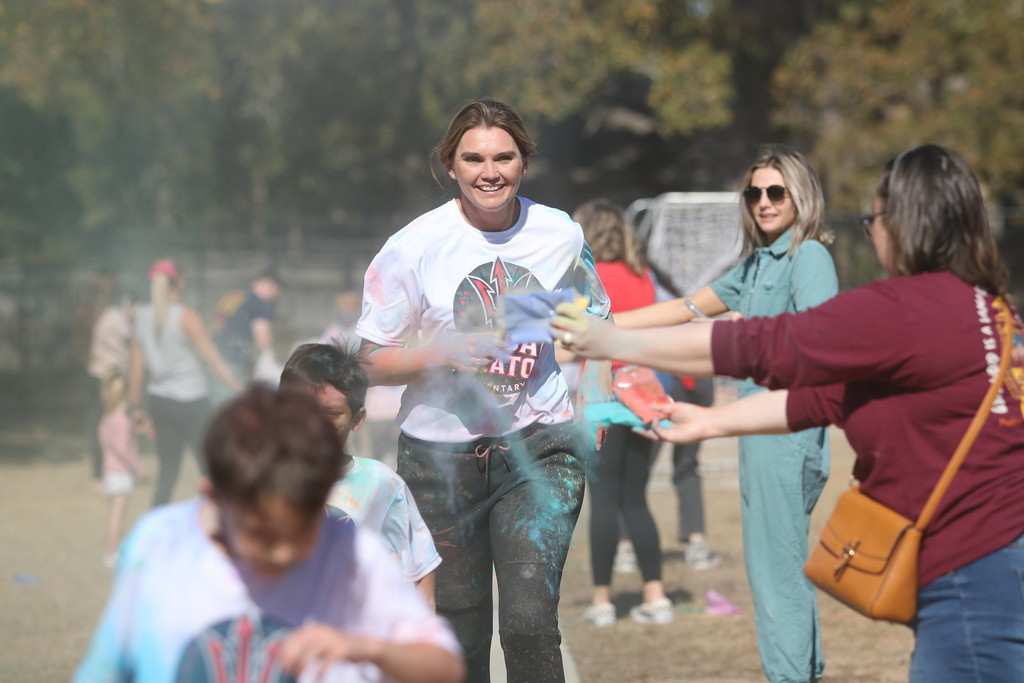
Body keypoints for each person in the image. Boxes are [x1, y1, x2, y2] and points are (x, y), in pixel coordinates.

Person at [552, 144, 1024, 683]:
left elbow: (773, 346)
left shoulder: (902, 307)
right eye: (754, 193)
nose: (870, 232)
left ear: (910, 222)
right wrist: (712, 422)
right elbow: (828, 397)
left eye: (874, 219)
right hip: (987, 563)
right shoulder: (989, 308)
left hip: (970, 575)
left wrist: (606, 339)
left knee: (779, 572)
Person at [356, 99, 611, 682]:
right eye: (473, 158)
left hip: (539, 448)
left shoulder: (560, 234)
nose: (489, 171)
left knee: (527, 622)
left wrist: (596, 392)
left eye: (504, 157)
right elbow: (367, 359)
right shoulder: (414, 247)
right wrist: (441, 353)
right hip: (438, 462)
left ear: (524, 162)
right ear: (451, 164)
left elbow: (597, 315)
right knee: (459, 631)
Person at [610, 145, 837, 682]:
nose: (763, 202)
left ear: (801, 196)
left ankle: (791, 675)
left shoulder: (808, 258)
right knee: (771, 569)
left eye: (775, 192)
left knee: (775, 570)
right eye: (754, 192)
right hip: (758, 432)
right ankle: (800, 672)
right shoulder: (759, 260)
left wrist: (736, 339)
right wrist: (600, 326)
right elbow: (684, 308)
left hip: (788, 431)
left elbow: (819, 344)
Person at [75, 384, 465, 683]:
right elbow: (106, 668)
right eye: (262, 533)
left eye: (304, 531)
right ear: (213, 496)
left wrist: (366, 648)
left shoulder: (352, 553)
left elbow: (445, 668)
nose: (283, 553)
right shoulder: (159, 545)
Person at [569, 199, 674, 627]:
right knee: (636, 500)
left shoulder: (584, 280)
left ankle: (602, 600)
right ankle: (656, 595)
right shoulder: (642, 275)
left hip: (602, 398)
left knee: (604, 502)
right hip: (644, 394)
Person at [279, 342, 441, 608]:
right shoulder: (257, 481)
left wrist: (421, 632)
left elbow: (420, 567)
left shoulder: (379, 483)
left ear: (357, 418)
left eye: (331, 414)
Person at [129, 259, 243, 508]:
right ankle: (220, 526)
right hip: (192, 402)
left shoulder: (141, 317)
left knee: (167, 472)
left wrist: (135, 407)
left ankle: (155, 533)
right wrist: (239, 388)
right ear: (178, 283)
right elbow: (213, 360)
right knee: (211, 468)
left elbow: (136, 368)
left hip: (159, 401)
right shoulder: (186, 316)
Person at [83, 269, 131, 488]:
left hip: (95, 373)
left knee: (99, 424)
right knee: (117, 423)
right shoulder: (113, 314)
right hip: (112, 376)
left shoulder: (91, 312)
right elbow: (131, 338)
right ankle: (117, 468)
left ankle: (100, 473)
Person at [98, 369, 145, 568]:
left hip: (109, 472)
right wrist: (138, 468)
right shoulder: (122, 421)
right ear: (125, 394)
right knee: (118, 517)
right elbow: (122, 449)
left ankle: (112, 553)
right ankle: (112, 555)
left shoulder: (106, 419)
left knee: (113, 516)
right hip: (121, 473)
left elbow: (106, 442)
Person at [212, 269, 283, 390]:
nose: (274, 298)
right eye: (276, 292)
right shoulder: (260, 304)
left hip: (214, 355)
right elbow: (263, 340)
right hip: (232, 362)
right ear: (270, 285)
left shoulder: (236, 295)